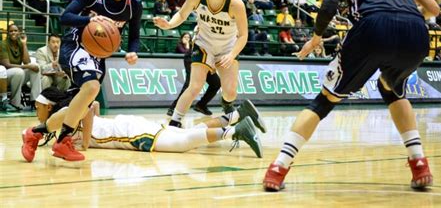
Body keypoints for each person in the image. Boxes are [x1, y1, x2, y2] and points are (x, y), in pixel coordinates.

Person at [263, 0, 440, 192]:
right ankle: (419, 162)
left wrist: (317, 36)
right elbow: (433, 9)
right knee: (391, 88)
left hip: (373, 28)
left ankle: (278, 167)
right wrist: (401, 14)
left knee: (324, 101)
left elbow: (330, 2)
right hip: (416, 32)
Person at [23, 0, 143, 162]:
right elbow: (65, 17)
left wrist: (133, 51)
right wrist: (90, 20)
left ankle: (34, 133)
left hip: (99, 56)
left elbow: (134, 36)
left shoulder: (134, 4)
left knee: (80, 107)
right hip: (75, 45)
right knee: (92, 88)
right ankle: (63, 140)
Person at [21, 87, 265, 162]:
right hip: (127, 126)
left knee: (181, 144)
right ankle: (236, 115)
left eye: (39, 105)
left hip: (127, 134)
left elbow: (89, 106)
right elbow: (92, 107)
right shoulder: (61, 120)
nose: (36, 108)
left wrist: (84, 144)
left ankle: (235, 131)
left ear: (49, 106)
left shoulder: (67, 113)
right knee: (188, 133)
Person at [153, 0, 255, 130]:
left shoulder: (236, 4)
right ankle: (175, 123)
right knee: (195, 86)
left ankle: (227, 106)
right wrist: (169, 24)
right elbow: (182, 15)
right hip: (204, 44)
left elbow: (243, 35)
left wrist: (232, 55)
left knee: (230, 91)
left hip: (227, 48)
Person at [167, 32, 221, 116]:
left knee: (216, 83)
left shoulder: (224, 33)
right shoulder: (206, 26)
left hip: (208, 58)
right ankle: (173, 108)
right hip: (195, 56)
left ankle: (201, 105)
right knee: (190, 84)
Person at [0, 24, 42, 110]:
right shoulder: (3, 44)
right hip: (5, 76)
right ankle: (15, 102)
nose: (13, 33)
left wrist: (24, 44)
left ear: (19, 32)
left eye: (15, 31)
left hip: (19, 74)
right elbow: (6, 65)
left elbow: (27, 61)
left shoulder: (20, 43)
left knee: (35, 68)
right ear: (8, 33)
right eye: (11, 31)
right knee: (19, 71)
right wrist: (27, 66)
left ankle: (35, 101)